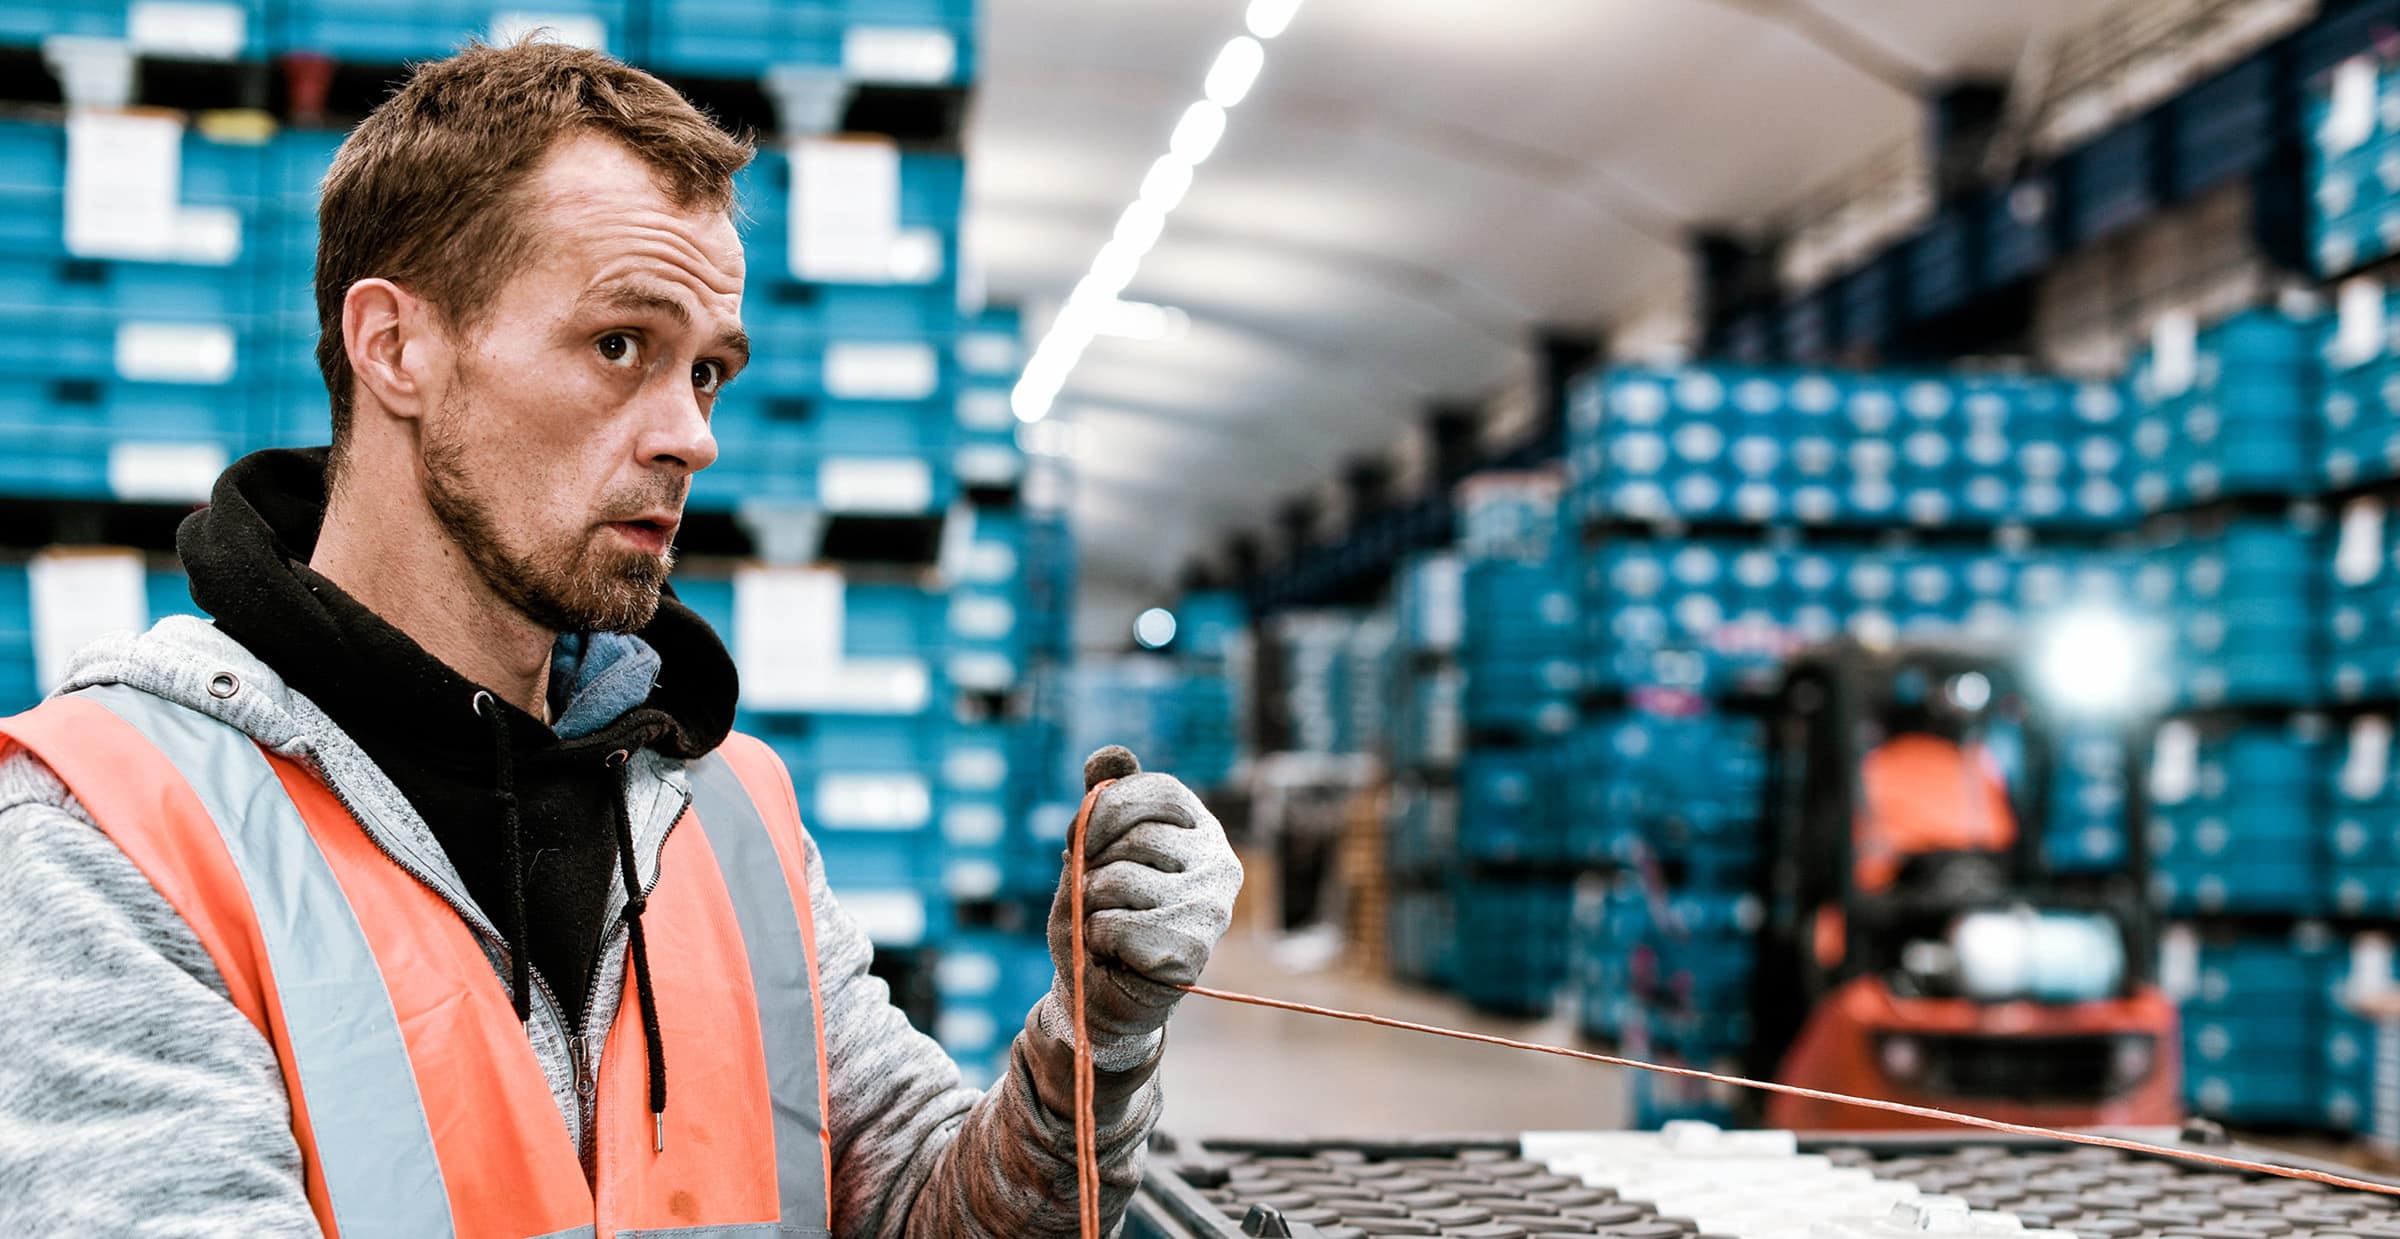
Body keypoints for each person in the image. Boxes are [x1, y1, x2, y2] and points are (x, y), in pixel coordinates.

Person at [0, 39, 1242, 1238]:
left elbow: (927, 1204)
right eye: (619, 346)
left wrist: (1098, 1035)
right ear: (396, 348)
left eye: (707, 372)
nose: (692, 436)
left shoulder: (724, 811)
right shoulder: (115, 836)